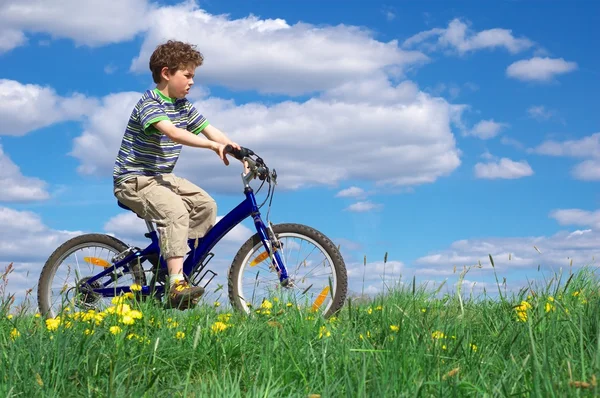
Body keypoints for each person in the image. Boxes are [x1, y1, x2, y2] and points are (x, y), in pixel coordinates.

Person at [112, 40, 242, 310]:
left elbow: (209, 129)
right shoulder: (149, 102)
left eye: (193, 75)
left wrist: (238, 151)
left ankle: (173, 263)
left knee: (205, 205)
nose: (192, 82)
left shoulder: (184, 106)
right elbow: (172, 132)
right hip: (133, 179)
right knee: (176, 212)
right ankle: (176, 281)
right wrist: (211, 146)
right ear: (166, 73)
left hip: (161, 178)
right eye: (188, 75)